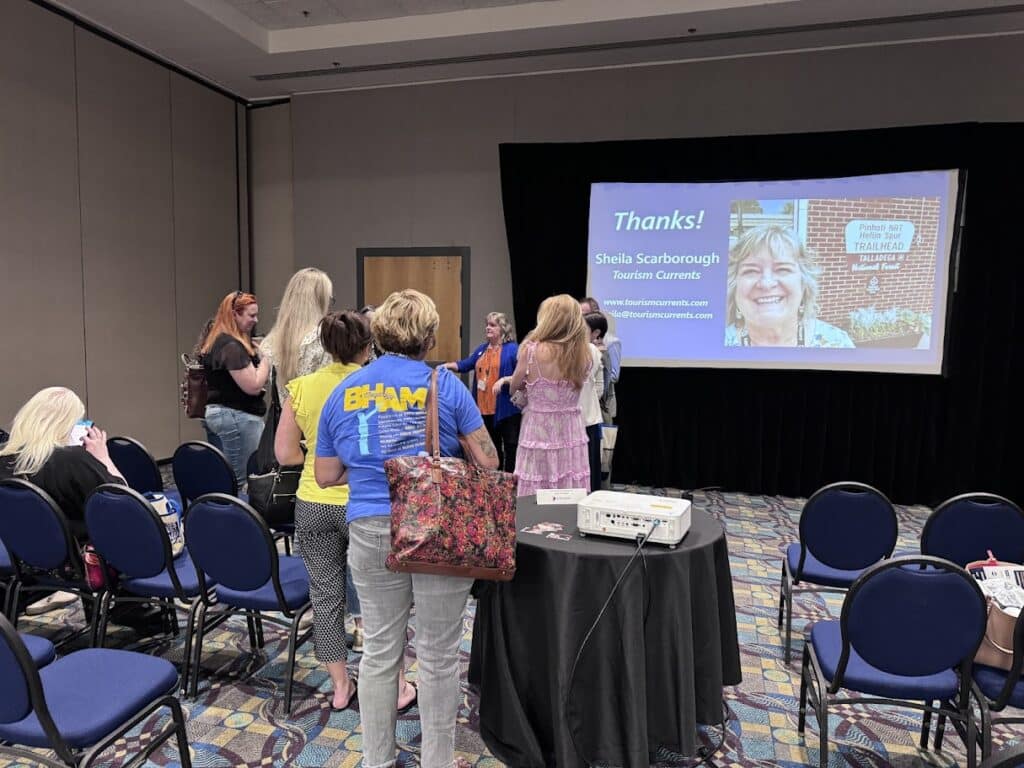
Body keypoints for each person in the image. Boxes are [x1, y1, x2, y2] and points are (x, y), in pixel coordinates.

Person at [315, 289, 498, 768]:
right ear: (430, 336)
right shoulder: (446, 387)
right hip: (437, 527)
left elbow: (326, 475)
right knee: (437, 657)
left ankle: (377, 760)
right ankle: (437, 761)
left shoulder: (343, 392)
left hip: (368, 525)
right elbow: (489, 460)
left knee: (378, 653)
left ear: (377, 334)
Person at [274, 311, 417, 713]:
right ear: (367, 347)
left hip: (313, 500)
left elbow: (284, 454)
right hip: (364, 503)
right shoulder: (373, 385)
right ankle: (397, 684)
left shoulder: (300, 388)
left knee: (325, 596)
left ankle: (340, 686)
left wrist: (314, 449)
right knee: (382, 601)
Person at [0, 387, 126, 614]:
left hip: (26, 560)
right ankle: (135, 611)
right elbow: (124, 500)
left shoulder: (4, 460)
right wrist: (102, 457)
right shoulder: (71, 460)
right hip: (82, 564)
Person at [497, 294, 591, 497]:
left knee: (536, 485)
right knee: (569, 482)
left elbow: (514, 387)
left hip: (538, 427)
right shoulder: (584, 352)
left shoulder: (532, 351)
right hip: (570, 428)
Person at [724, 225, 856, 348]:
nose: (766, 283)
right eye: (751, 271)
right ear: (734, 286)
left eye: (782, 269)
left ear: (804, 284)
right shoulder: (712, 344)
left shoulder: (837, 343)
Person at [199, 290, 272, 487]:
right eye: (251, 315)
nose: (255, 320)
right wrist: (267, 358)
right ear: (234, 315)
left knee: (226, 475)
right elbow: (254, 385)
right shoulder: (230, 346)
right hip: (237, 417)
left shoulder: (217, 341)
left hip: (223, 415)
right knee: (243, 481)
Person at [444, 312, 521, 472]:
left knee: (510, 449)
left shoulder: (512, 350)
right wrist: (447, 366)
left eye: (492, 325)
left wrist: (504, 379)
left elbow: (524, 374)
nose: (488, 328)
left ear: (503, 328)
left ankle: (510, 482)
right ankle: (495, 482)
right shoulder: (482, 349)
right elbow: (465, 365)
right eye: (487, 324)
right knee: (492, 449)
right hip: (484, 410)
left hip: (506, 410)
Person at [262, 268, 334, 402]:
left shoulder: (270, 342)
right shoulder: (324, 338)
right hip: (316, 418)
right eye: (329, 299)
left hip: (285, 419)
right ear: (320, 301)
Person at [579, 297, 620, 422]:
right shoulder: (578, 342)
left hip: (602, 404)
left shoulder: (611, 342)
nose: (581, 319)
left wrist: (598, 360)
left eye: (585, 314)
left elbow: (613, 375)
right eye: (579, 314)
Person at [581, 314, 607, 492]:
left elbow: (599, 384)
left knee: (589, 468)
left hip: (587, 418)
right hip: (578, 418)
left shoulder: (590, 350)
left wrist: (589, 399)